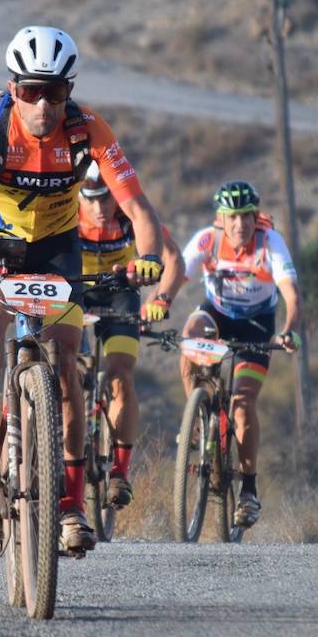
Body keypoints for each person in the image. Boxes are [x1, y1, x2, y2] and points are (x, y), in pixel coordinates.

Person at [0, 25, 167, 554]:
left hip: (56, 245)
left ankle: (68, 505)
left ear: (71, 90)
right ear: (13, 87)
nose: (43, 104)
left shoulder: (90, 131)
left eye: (56, 92)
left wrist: (149, 259)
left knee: (67, 366)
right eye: (30, 91)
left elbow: (139, 208)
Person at [155, 180, 302, 530]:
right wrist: (162, 300)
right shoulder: (209, 239)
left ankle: (249, 491)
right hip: (217, 315)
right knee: (190, 335)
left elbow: (292, 295)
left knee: (242, 404)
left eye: (246, 217)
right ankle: (197, 415)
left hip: (256, 324)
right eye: (232, 217)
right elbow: (179, 274)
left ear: (256, 217)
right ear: (221, 218)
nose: (240, 225)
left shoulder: (270, 243)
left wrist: (290, 329)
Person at [77, 164, 185, 509]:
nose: (98, 209)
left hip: (118, 294)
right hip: (74, 292)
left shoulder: (129, 215)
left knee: (121, 376)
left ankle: (120, 473)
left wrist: (162, 298)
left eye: (105, 198)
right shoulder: (63, 212)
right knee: (67, 371)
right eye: (90, 199)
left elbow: (173, 259)